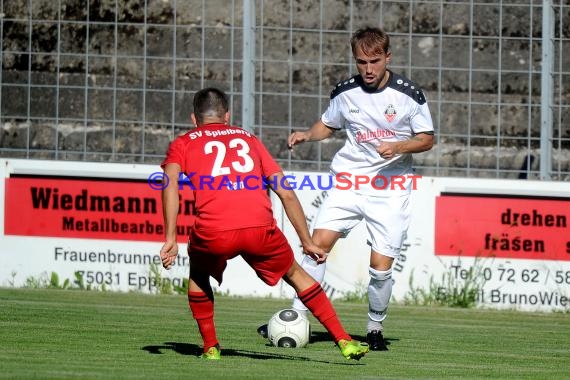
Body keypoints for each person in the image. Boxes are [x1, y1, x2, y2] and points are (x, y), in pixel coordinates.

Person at [159, 87, 369, 361]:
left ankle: (211, 347)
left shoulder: (184, 142)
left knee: (198, 272)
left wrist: (171, 238)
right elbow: (285, 191)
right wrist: (306, 240)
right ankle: (344, 341)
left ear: (193, 119)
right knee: (296, 274)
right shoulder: (248, 139)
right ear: (227, 116)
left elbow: (169, 183)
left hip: (214, 230)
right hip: (259, 226)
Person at [284, 26, 435, 351]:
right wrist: (308, 135)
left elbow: (427, 139)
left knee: (380, 266)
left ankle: (375, 326)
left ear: (387, 58)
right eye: (361, 62)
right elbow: (328, 124)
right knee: (316, 246)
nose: (368, 69)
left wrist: (399, 147)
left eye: (375, 61)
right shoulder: (345, 92)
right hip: (348, 183)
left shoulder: (409, 95)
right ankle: (297, 319)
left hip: (390, 188)